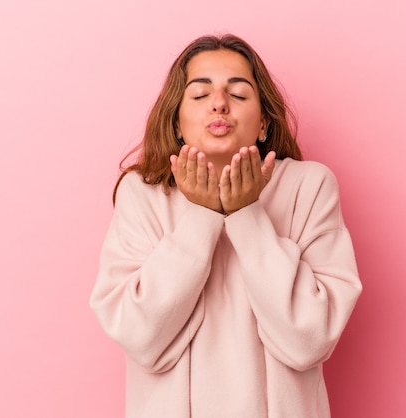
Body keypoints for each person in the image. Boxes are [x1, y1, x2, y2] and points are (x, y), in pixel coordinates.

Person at [90, 33, 362, 418]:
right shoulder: (143, 194)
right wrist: (202, 218)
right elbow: (139, 334)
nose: (219, 104)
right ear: (178, 122)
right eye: (200, 95)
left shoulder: (309, 186)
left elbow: (310, 339)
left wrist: (246, 215)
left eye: (238, 94)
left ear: (264, 121)